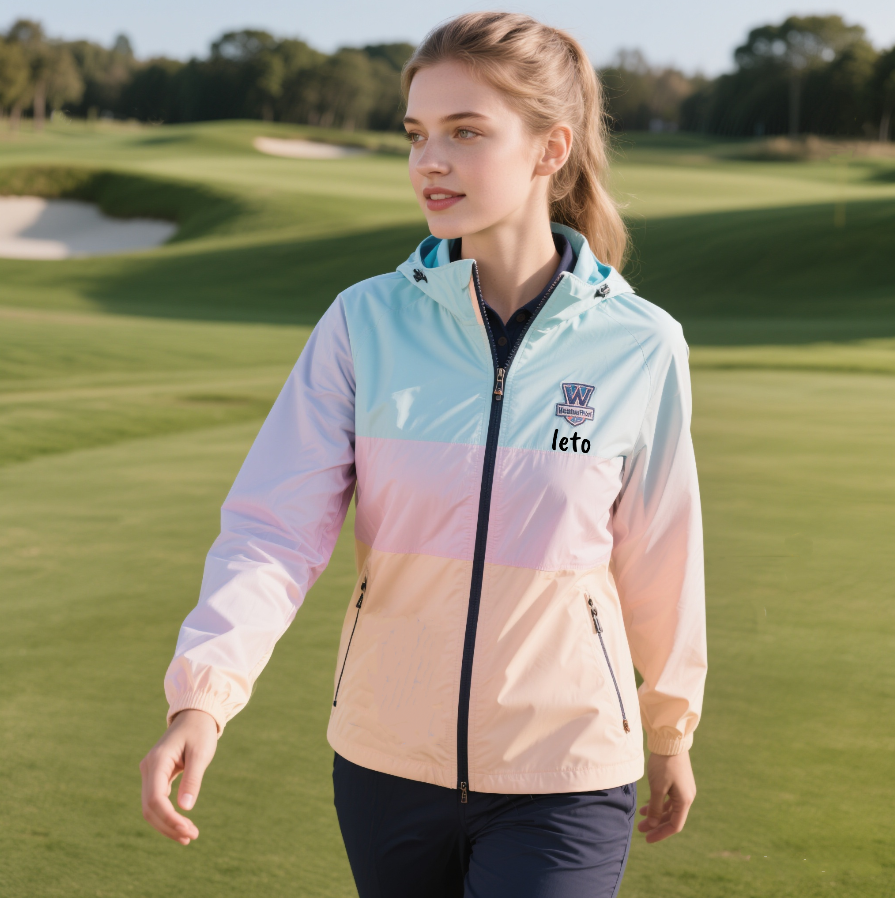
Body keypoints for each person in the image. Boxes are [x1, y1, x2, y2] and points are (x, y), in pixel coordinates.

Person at [140, 12, 707, 897]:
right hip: (384, 763)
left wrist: (669, 730)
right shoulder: (362, 324)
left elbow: (661, 559)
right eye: (416, 136)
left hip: (566, 769)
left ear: (550, 148)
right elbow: (272, 532)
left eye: (466, 133)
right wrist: (201, 698)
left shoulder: (642, 344)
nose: (429, 161)